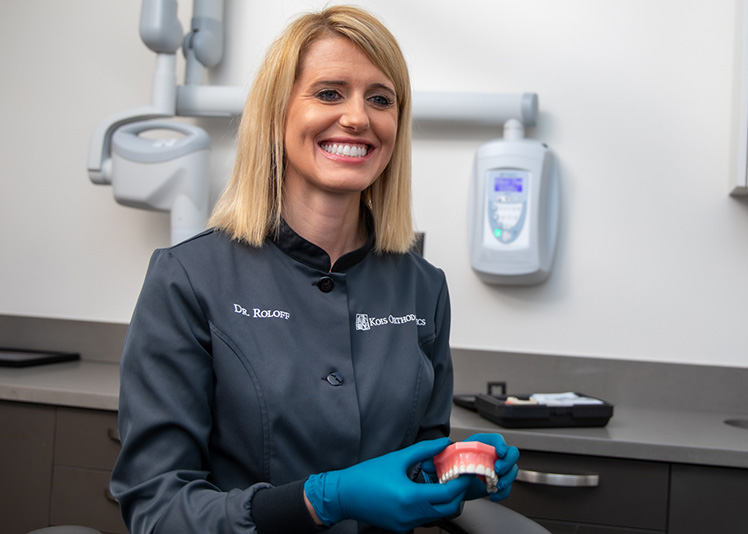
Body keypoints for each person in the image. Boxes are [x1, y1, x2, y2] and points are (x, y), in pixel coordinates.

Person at [111, 5, 519, 534]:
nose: (358, 117)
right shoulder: (188, 279)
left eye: (380, 99)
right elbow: (157, 509)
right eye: (329, 93)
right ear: (277, 115)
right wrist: (321, 500)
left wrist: (459, 467)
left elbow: (415, 469)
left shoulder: (423, 287)